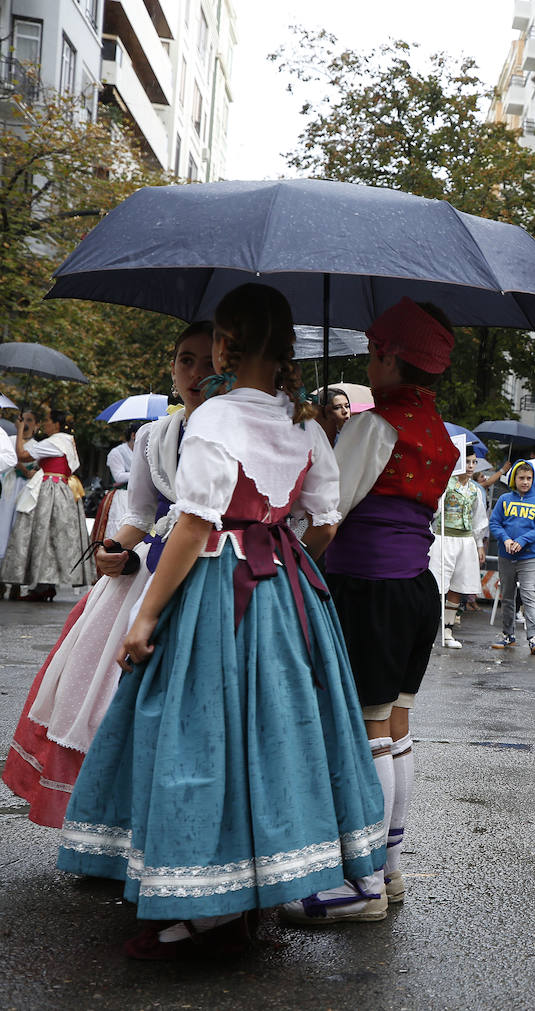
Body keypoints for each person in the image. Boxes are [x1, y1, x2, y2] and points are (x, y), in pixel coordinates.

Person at [55, 284, 385, 959]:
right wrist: (283, 551)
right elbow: (324, 520)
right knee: (271, 739)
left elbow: (195, 524)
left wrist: (146, 615)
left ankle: (203, 901)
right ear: (288, 346)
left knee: (198, 735)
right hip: (287, 590)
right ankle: (246, 892)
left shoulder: (215, 418)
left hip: (215, 585)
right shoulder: (306, 426)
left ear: (225, 345)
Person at [286, 297, 460, 924]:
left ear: (389, 356)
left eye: (372, 352)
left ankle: (362, 887)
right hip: (415, 590)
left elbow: (328, 514)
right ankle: (389, 869)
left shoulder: (375, 425)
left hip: (367, 588)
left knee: (367, 731)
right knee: (396, 726)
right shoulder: (439, 432)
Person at [3, 324, 215, 828]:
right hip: (145, 578)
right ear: (171, 367)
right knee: (106, 702)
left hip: (215, 575)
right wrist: (113, 548)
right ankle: (114, 830)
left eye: (209, 362)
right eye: (186, 360)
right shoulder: (153, 435)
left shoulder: (240, 432)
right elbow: (140, 514)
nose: (197, 374)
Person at [0, 406, 95, 600]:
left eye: (48, 421)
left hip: (49, 490)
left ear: (57, 424)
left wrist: (19, 430)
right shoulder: (68, 441)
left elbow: (22, 455)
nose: (45, 425)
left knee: (41, 535)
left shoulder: (53, 442)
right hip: (63, 490)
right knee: (53, 536)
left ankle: (43, 586)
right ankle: (45, 585)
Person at [489, 460, 535, 653]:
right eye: (521, 478)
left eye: (529, 478)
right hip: (505, 555)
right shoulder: (505, 499)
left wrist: (523, 540)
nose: (525, 482)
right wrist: (505, 539)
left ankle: (533, 637)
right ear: (514, 478)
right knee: (507, 596)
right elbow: (495, 523)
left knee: (528, 595)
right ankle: (508, 635)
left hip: (529, 557)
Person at [431, 446, 489, 648]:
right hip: (444, 537)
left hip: (465, 541)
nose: (471, 466)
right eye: (467, 461)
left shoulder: (475, 489)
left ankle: (448, 632)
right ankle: (429, 633)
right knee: (438, 585)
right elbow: (434, 511)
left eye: (474, 462)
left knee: (458, 585)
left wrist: (479, 544)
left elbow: (478, 519)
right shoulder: (446, 484)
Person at [0, 410, 33, 588]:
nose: (26, 423)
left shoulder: (36, 444)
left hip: (26, 490)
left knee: (17, 531)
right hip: (9, 489)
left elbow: (17, 457)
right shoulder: (9, 439)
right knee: (3, 529)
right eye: (23, 420)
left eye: (30, 420)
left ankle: (15, 581)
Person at [93, 426, 137, 545]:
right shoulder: (117, 452)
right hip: (121, 496)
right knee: (118, 526)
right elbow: (118, 476)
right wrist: (140, 474)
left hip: (138, 495)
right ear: (133, 435)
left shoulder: (143, 452)